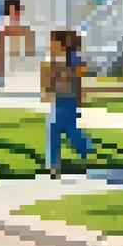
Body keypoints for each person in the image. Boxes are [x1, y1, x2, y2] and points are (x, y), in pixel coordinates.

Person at [40, 29, 95, 179]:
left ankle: (85, 147)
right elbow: (46, 83)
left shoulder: (74, 59)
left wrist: (79, 102)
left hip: (69, 101)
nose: (49, 44)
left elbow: (79, 76)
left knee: (68, 130)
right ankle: (54, 167)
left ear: (62, 43)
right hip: (57, 101)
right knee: (54, 130)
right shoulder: (51, 59)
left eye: (52, 42)